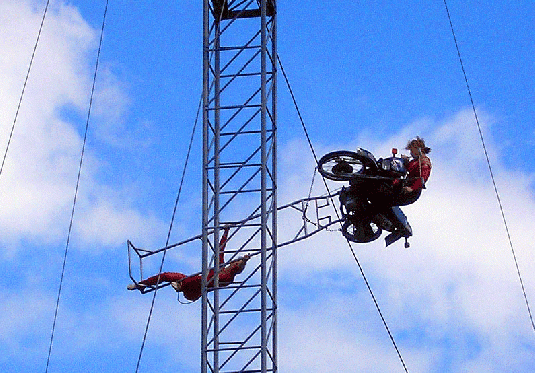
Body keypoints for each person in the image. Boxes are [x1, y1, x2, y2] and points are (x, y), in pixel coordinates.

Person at [127, 226, 250, 302]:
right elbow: (220, 249)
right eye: (234, 262)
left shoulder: (228, 278)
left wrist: (244, 261)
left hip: (194, 290)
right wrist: (226, 233)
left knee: (200, 279)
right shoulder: (221, 266)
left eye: (234, 264)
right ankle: (142, 284)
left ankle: (181, 286)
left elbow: (211, 280)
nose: (232, 264)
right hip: (190, 281)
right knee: (167, 276)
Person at [391, 136, 432, 206]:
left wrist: (412, 188)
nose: (411, 153)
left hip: (410, 192)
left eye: (411, 150)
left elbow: (423, 178)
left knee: (387, 196)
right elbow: (408, 168)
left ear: (418, 149)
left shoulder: (424, 162)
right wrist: (405, 162)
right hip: (405, 185)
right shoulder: (415, 161)